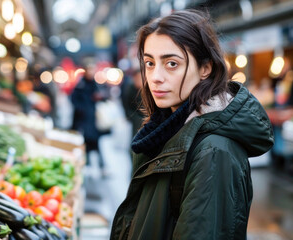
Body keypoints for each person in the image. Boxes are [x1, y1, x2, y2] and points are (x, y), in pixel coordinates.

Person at [110, 9, 274, 239]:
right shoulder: (163, 130)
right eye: (149, 63)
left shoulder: (214, 151)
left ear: (205, 68)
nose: (155, 76)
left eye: (172, 64)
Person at [71, 63, 107, 177]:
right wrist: (82, 109)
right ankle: (87, 166)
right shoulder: (80, 85)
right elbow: (74, 99)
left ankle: (100, 167)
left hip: (93, 121)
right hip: (83, 121)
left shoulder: (95, 84)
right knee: (86, 144)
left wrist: (100, 98)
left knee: (95, 144)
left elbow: (103, 96)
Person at [121, 68, 144, 139]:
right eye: (137, 78)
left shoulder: (148, 89)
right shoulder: (129, 89)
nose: (139, 81)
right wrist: (131, 117)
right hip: (135, 116)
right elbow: (126, 105)